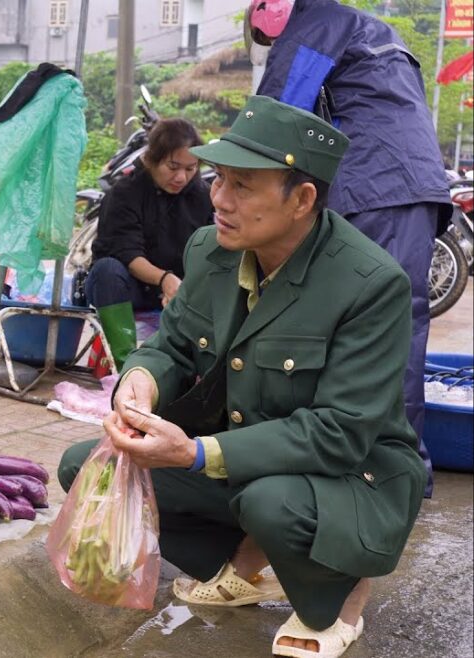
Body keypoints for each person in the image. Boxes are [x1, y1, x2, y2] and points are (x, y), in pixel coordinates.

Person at [58, 96, 426, 658]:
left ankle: (346, 589)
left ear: (303, 199)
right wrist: (141, 380)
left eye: (243, 186)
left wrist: (196, 453)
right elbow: (175, 344)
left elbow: (339, 432)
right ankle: (251, 560)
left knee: (272, 502)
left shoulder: (369, 283)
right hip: (248, 459)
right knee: (86, 468)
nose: (219, 200)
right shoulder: (212, 250)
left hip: (351, 474)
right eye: (218, 179)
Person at [248, 0, 450, 495]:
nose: (274, 48)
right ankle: (401, 472)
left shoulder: (312, 27)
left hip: (372, 192)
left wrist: (232, 185)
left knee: (364, 329)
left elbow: (272, 121)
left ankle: (376, 477)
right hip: (417, 191)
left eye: (270, 41)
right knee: (400, 324)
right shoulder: (373, 30)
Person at [87, 118, 213, 368]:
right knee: (108, 270)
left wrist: (186, 288)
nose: (181, 177)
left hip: (179, 289)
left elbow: (211, 250)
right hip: (128, 288)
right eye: (173, 166)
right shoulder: (124, 193)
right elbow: (127, 253)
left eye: (190, 169)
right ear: (151, 160)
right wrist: (165, 280)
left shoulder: (202, 196)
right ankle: (124, 366)